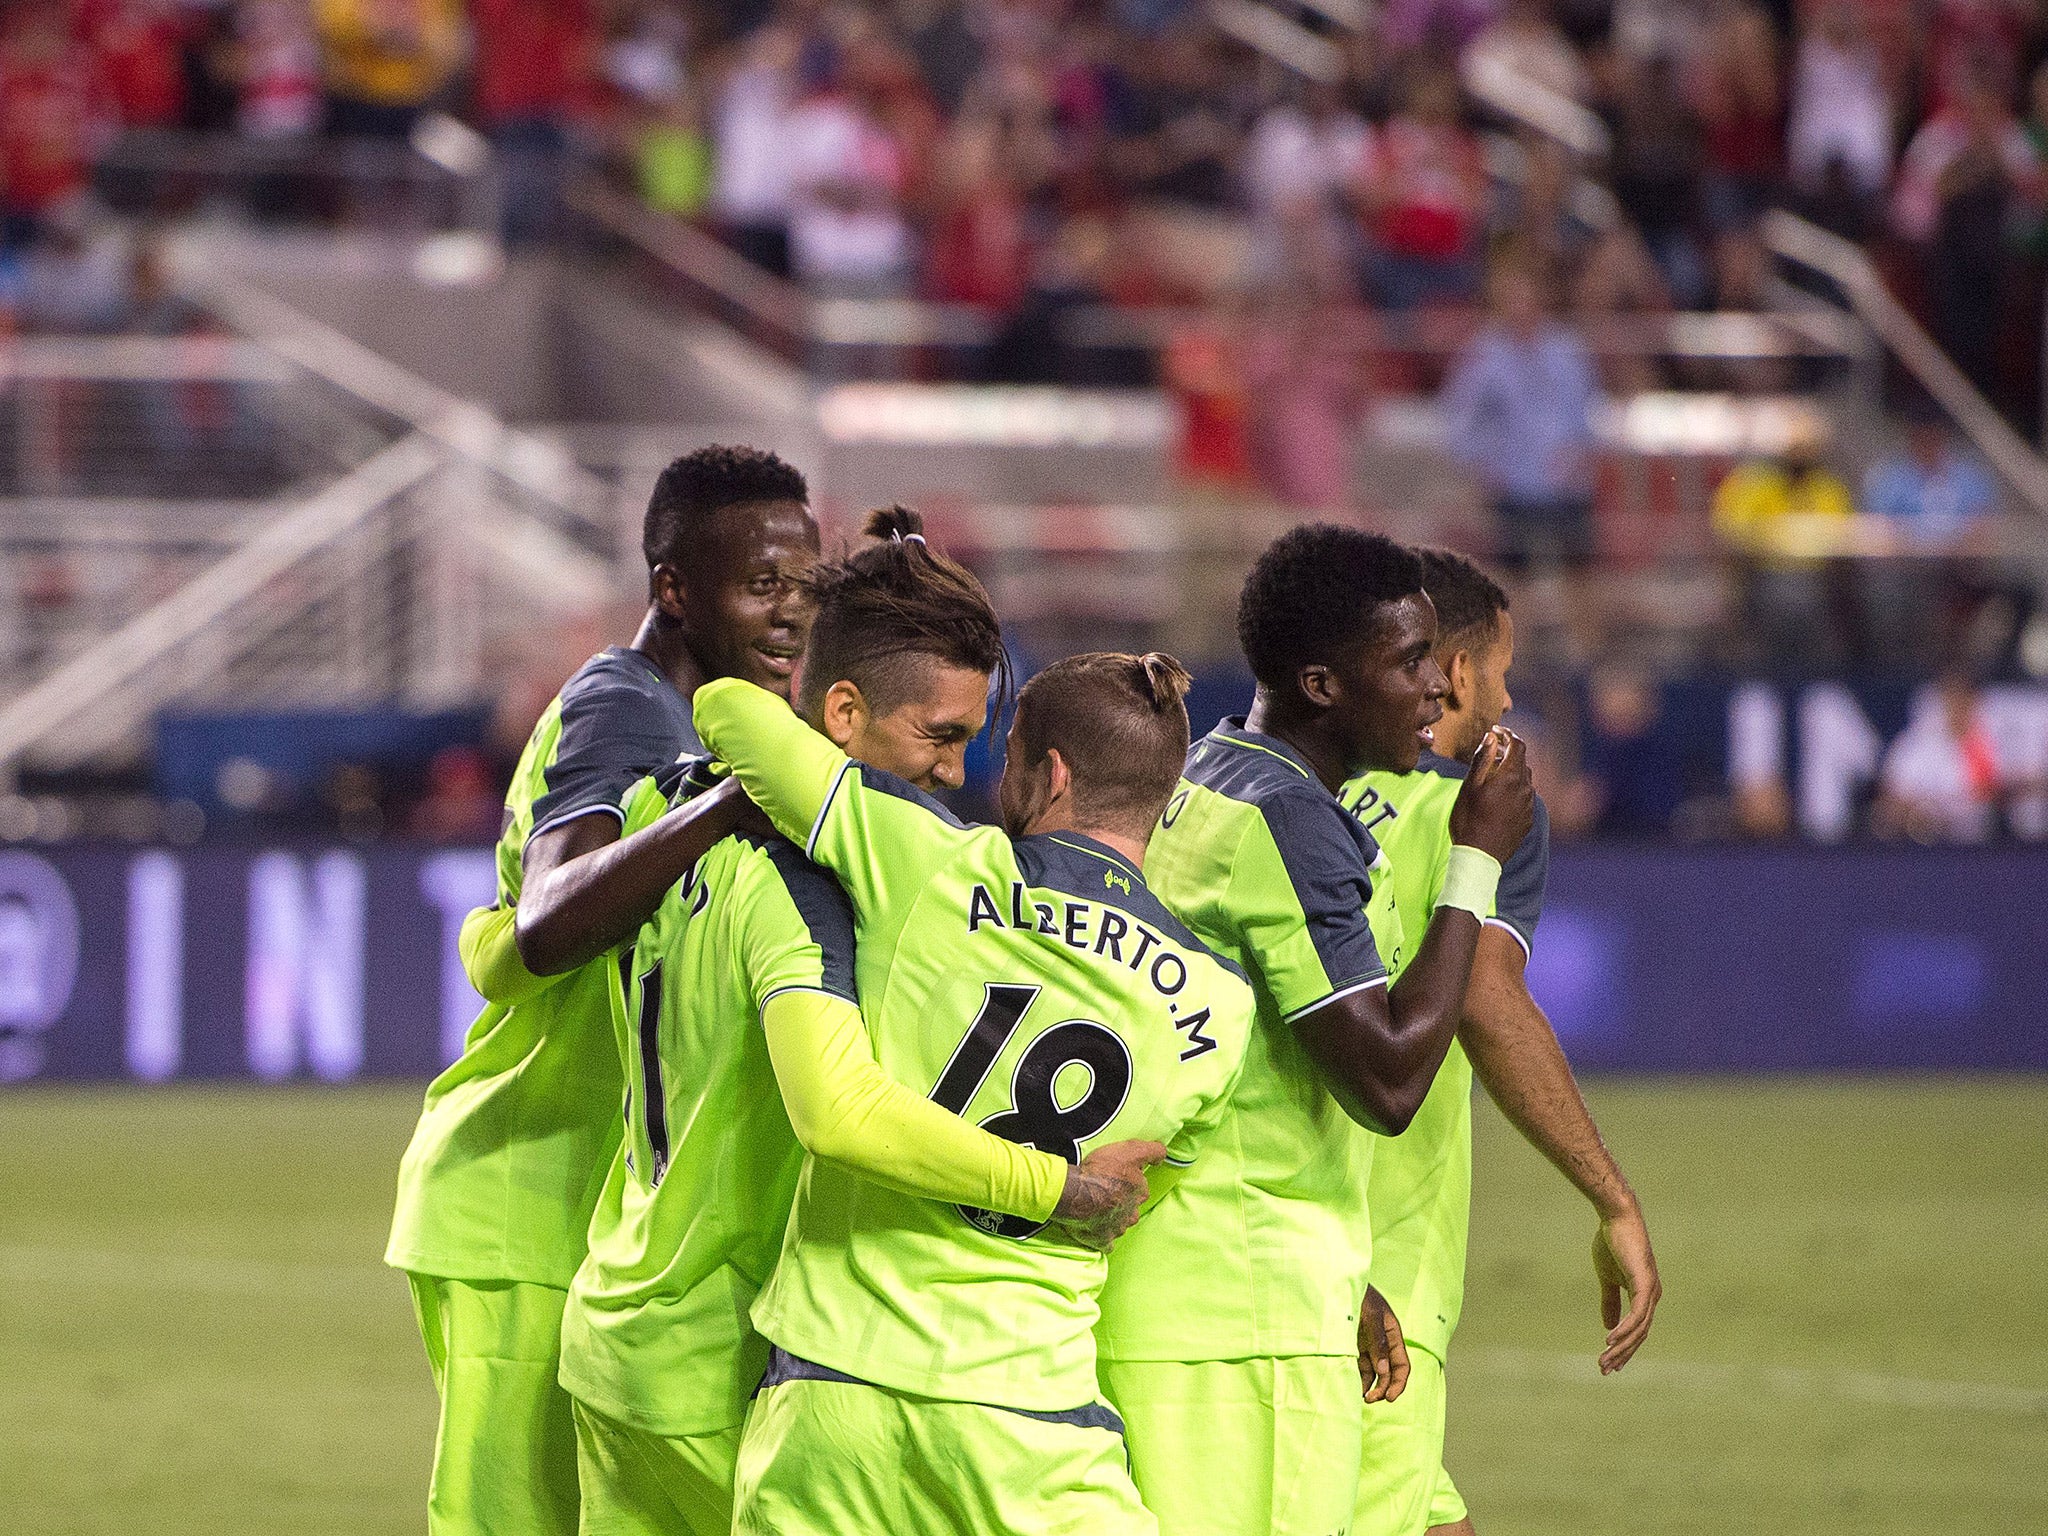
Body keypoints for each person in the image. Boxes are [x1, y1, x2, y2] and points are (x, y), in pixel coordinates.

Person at [559, 509, 1163, 1536]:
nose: (956, 774)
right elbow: (836, 1109)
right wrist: (1058, 1188)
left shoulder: (670, 811)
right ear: (841, 710)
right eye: (939, 737)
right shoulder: (813, 884)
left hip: (619, 1325)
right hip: (723, 1355)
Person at [693, 648, 1258, 1536]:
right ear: (1166, 801)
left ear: (1051, 773)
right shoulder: (1222, 1008)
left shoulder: (928, 861)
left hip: (834, 1392)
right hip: (1028, 1424)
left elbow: (726, 705)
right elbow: (1128, 1207)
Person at [384, 445, 818, 1536]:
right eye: (759, 585)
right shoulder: (624, 707)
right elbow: (545, 918)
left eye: (805, 587)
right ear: (672, 590)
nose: (789, 615)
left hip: (593, 1202)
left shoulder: (703, 722)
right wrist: (718, 810)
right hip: (523, 1193)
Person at [1094, 526, 1536, 1536]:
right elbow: (1385, 1083)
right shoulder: (1287, 822)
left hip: (1180, 1278)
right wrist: (1474, 860)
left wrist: (1336, 1280)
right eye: (1408, 661)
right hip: (1238, 1322)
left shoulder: (1201, 776)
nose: (1437, 687)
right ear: (1323, 684)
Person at [1342, 550, 1661, 1536]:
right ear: (1451, 671)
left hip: (1245, 1253)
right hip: (1368, 1271)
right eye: (1500, 666)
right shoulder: (1474, 809)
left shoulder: (1259, 793)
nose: (1507, 693)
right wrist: (1611, 1198)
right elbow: (1485, 996)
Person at [1441, 249, 1601, 577]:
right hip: (1511, 487)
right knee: (1514, 582)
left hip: (1566, 485)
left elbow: (1588, 414)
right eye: (1512, 299)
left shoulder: (1567, 353)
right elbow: (1460, 418)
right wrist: (1481, 466)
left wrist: (1581, 455)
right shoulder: (1483, 356)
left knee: (1581, 578)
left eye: (1526, 298)